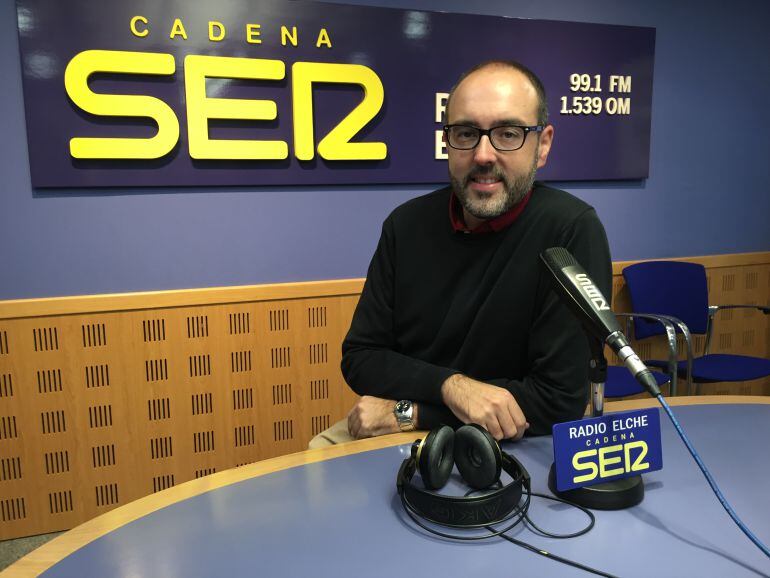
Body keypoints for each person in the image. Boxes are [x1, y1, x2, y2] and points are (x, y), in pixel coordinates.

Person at [309, 59, 612, 448]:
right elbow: (361, 356)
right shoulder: (405, 225)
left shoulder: (570, 230)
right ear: (447, 141)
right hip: (400, 431)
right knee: (317, 460)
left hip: (513, 438)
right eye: (466, 133)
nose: (483, 155)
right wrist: (452, 386)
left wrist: (413, 412)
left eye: (508, 134)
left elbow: (558, 399)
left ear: (543, 145)